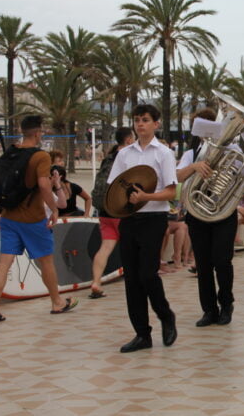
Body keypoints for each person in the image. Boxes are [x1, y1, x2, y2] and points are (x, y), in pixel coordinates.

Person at [0, 115, 79, 324]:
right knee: (46, 262)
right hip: (33, 219)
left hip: (9, 217)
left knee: (3, 263)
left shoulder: (11, 152)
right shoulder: (40, 157)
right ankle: (57, 303)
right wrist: (54, 210)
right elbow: (44, 186)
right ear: (37, 132)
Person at [177, 108, 244, 327]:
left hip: (223, 214)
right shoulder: (191, 154)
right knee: (203, 265)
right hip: (197, 214)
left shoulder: (233, 150)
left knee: (222, 262)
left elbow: (242, 183)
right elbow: (175, 177)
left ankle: (227, 304)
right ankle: (208, 310)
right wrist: (195, 167)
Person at [107, 104, 178, 353]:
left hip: (154, 218)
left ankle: (166, 315)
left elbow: (171, 191)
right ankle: (142, 334)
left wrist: (146, 196)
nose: (140, 124)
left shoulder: (164, 154)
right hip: (129, 220)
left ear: (156, 124)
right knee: (132, 280)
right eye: (137, 120)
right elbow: (113, 187)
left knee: (148, 274)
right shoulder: (125, 154)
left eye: (145, 120)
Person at [89, 127, 135, 298]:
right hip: (120, 210)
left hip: (104, 210)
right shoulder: (127, 157)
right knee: (130, 247)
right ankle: (134, 281)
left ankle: (96, 282)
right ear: (129, 140)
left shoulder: (108, 158)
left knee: (105, 247)